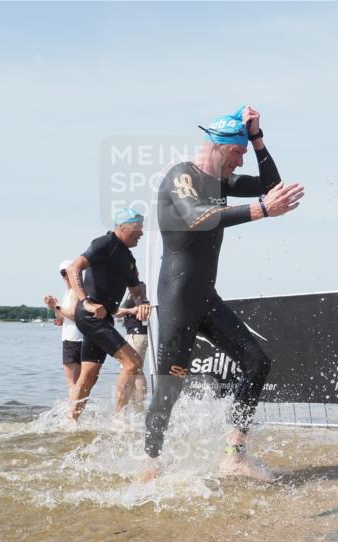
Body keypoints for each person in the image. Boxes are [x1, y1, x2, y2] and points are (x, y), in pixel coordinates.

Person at [144, 105, 305, 482]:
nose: (241, 160)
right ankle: (150, 465)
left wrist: (257, 137)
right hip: (178, 301)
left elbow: (270, 185)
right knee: (170, 388)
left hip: (206, 298)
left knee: (257, 363)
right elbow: (197, 215)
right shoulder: (181, 176)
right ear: (218, 146)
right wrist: (261, 211)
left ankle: (233, 455)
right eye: (238, 152)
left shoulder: (221, 184)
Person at [65, 208, 150, 420]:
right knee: (133, 363)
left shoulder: (129, 258)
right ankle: (118, 419)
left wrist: (143, 302)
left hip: (105, 318)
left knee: (88, 376)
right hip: (91, 315)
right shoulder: (105, 243)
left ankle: (70, 421)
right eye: (137, 228)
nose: (141, 233)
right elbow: (74, 268)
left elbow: (137, 289)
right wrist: (86, 301)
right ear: (122, 227)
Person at [42, 260, 84, 396]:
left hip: (74, 340)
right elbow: (61, 318)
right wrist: (54, 306)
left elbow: (73, 314)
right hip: (73, 339)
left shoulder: (78, 291)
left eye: (67, 272)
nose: (66, 276)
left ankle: (72, 414)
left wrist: (56, 306)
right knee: (79, 384)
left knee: (72, 383)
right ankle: (79, 412)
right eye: (63, 273)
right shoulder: (69, 292)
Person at [116, 294, 149, 407]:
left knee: (136, 370)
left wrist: (128, 310)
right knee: (134, 370)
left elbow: (117, 312)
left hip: (137, 334)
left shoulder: (138, 290)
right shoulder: (137, 292)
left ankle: (139, 404)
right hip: (136, 334)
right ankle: (135, 403)